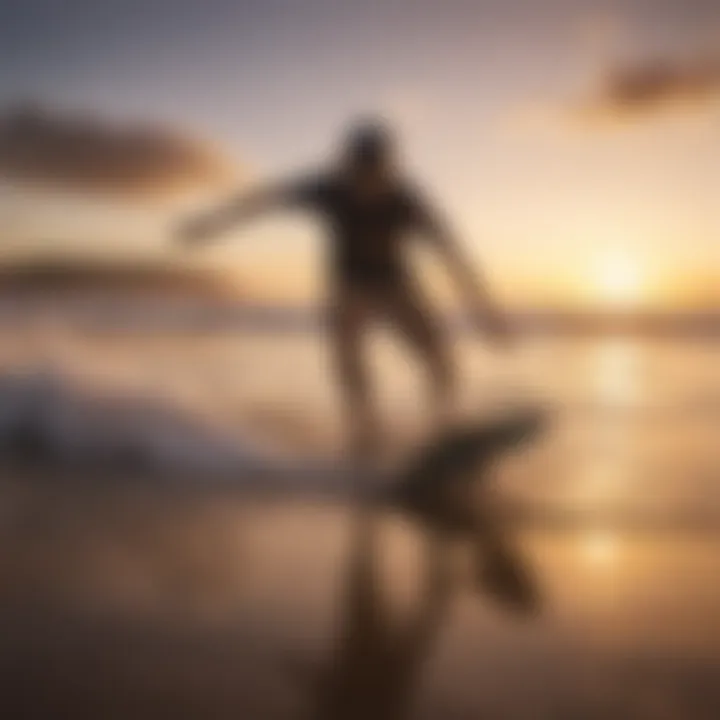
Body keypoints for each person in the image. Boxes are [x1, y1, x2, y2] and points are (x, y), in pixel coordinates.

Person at [177, 119, 510, 457]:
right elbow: (264, 201)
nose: (365, 185)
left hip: (396, 284)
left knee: (439, 358)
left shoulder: (407, 201)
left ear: (389, 169)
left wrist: (487, 314)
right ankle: (365, 436)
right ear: (347, 167)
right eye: (358, 175)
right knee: (349, 360)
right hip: (349, 287)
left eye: (375, 175)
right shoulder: (327, 190)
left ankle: (443, 428)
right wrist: (210, 223)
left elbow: (453, 255)